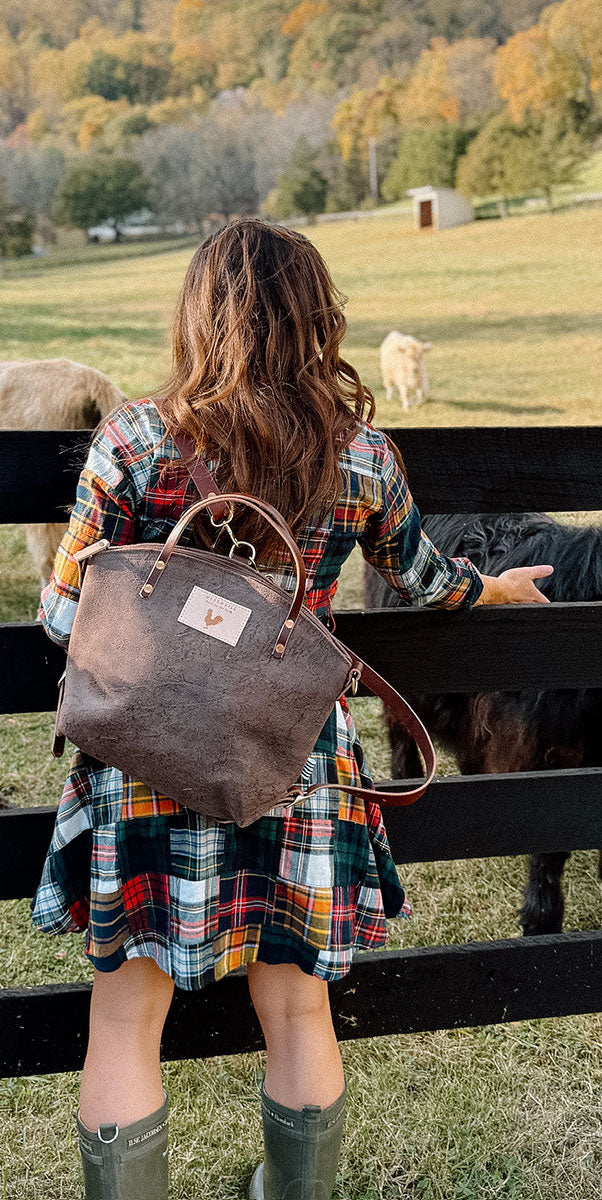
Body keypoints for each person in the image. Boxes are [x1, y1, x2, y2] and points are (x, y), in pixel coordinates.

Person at [31, 219, 553, 1200]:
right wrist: (498, 591)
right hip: (297, 763)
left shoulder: (136, 439)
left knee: (122, 1023)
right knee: (300, 1016)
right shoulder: (362, 455)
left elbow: (64, 613)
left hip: (144, 756)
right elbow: (427, 580)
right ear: (316, 319)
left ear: (198, 313)